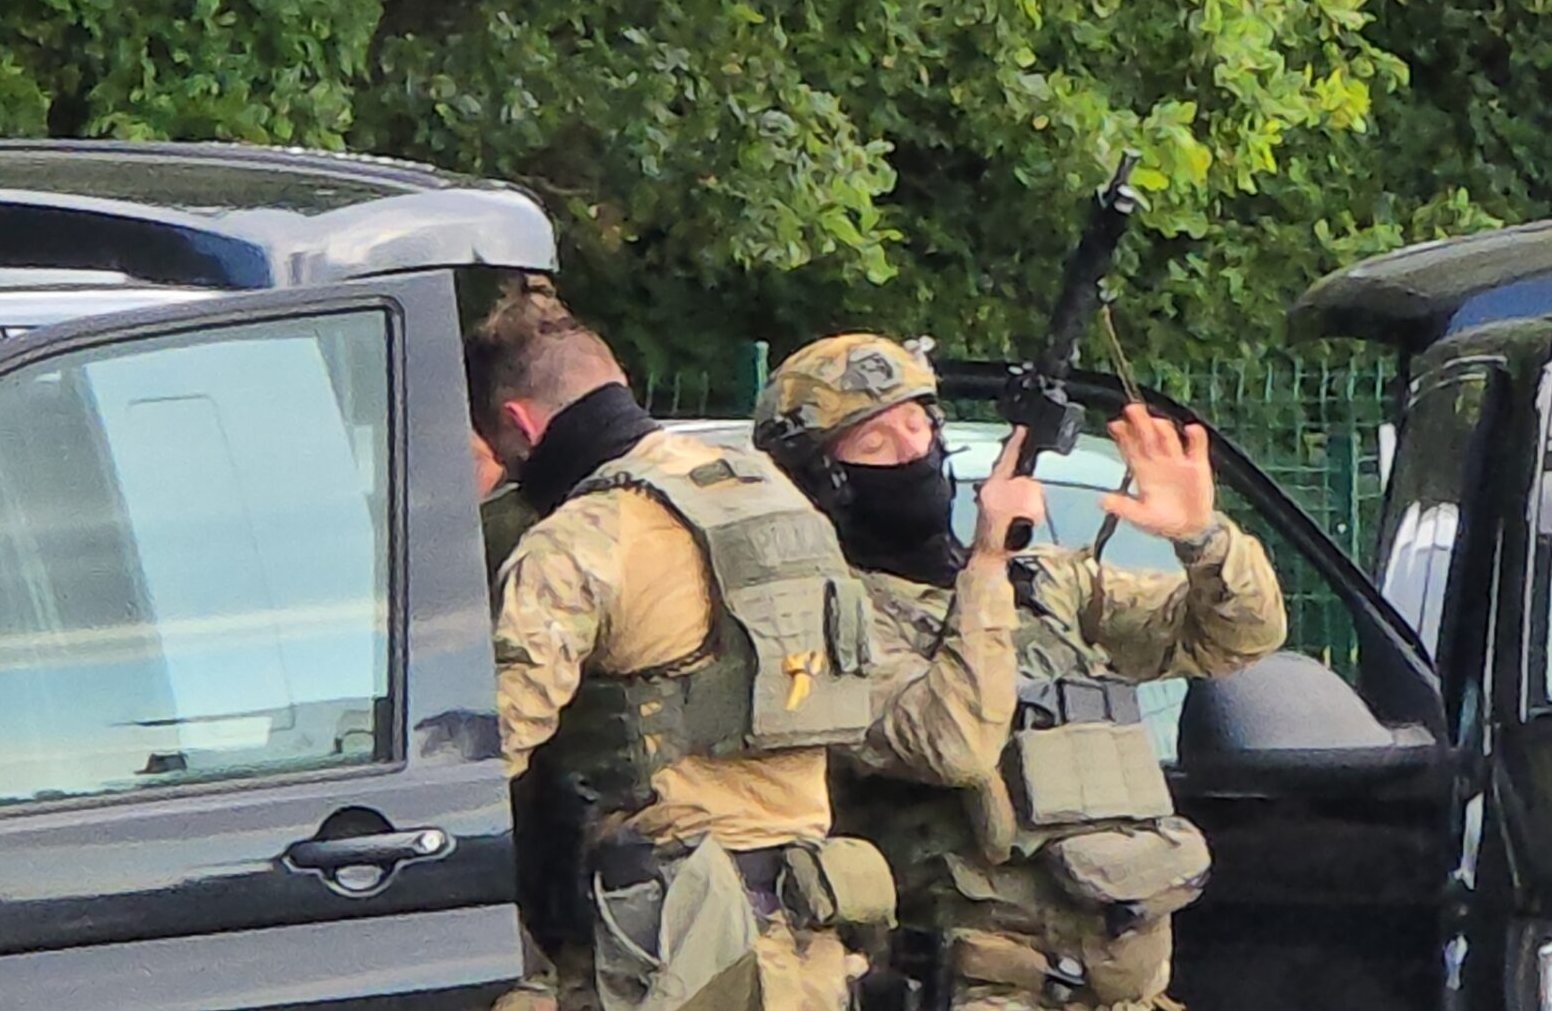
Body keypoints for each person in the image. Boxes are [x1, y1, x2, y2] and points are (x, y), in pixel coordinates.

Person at [470, 281, 1017, 1011]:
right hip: (805, 948)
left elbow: (486, 756)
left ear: (520, 424)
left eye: (503, 451)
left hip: (671, 952)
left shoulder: (583, 538)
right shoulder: (771, 495)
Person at [753, 334, 1289, 1010]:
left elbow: (1240, 635)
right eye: (875, 442)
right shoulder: (824, 628)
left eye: (918, 423)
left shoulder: (1045, 584)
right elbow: (954, 743)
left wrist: (1200, 535)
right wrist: (985, 563)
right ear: (822, 479)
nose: (913, 450)